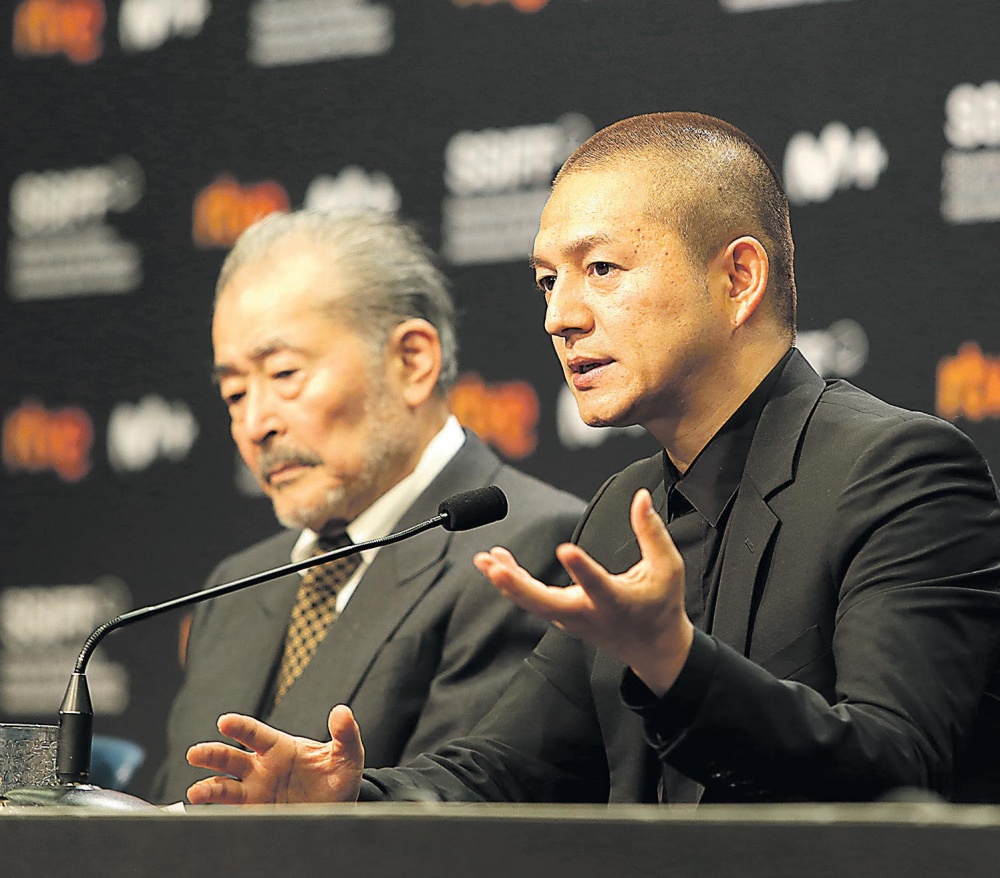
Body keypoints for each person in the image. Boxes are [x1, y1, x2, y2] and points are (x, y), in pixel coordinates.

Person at [184, 112, 1000, 807]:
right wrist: (350, 798)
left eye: (600, 269)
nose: (560, 317)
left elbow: (900, 771)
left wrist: (675, 662)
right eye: (547, 282)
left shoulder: (901, 473)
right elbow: (507, 772)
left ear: (739, 278)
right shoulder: (621, 509)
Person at [150, 210, 585, 804]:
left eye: (284, 374)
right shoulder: (236, 588)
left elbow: (467, 816)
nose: (255, 424)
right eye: (234, 393)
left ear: (411, 361)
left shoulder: (529, 548)